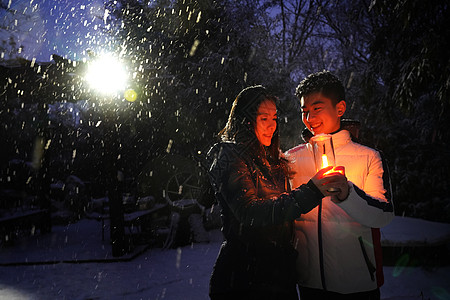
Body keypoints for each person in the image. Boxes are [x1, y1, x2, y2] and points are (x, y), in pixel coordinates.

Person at [205, 85, 347, 300]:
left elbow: (282, 211)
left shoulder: (273, 161)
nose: (272, 126)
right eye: (264, 118)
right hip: (244, 280)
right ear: (246, 120)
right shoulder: (229, 156)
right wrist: (311, 191)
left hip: (278, 277)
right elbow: (249, 212)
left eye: (274, 118)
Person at [285, 71, 394, 299]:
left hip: (357, 282)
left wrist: (349, 195)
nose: (309, 118)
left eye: (317, 108)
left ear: (340, 108)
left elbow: (383, 215)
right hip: (309, 280)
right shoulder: (291, 159)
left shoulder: (369, 157)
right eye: (304, 111)